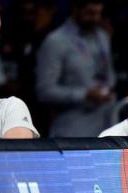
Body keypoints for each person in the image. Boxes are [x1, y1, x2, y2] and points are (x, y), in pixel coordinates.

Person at [36, 0, 116, 137]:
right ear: (75, 9)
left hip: (106, 125)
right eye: (90, 13)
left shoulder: (103, 37)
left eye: (99, 14)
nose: (96, 19)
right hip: (73, 130)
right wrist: (84, 94)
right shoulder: (55, 41)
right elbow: (44, 91)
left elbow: (109, 75)